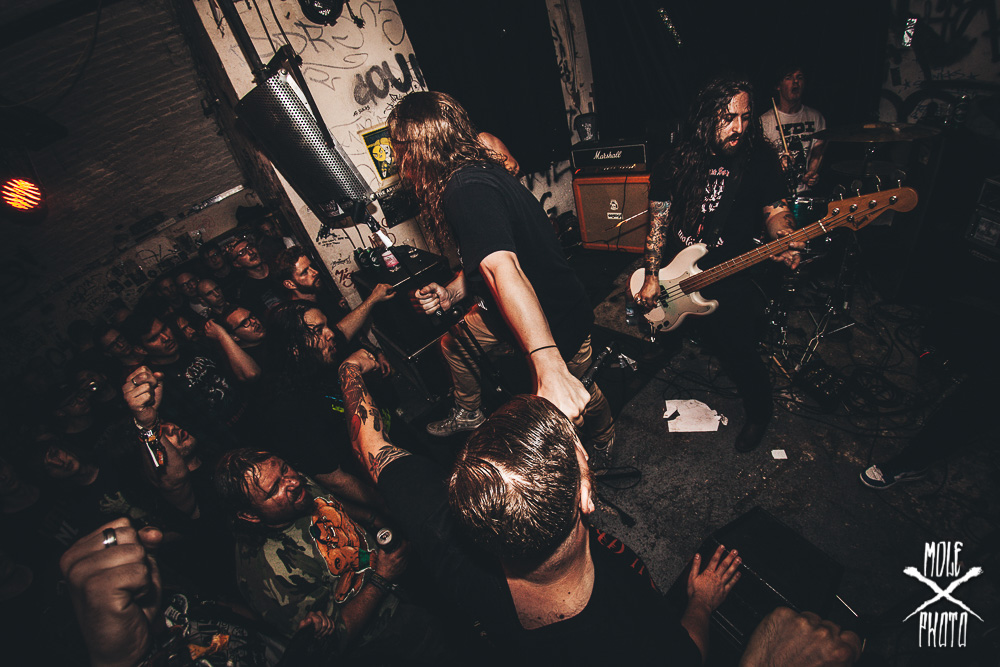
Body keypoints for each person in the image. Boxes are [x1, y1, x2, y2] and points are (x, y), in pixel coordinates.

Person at [337, 352, 738, 664]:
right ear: (585, 495)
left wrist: (348, 368)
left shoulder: (443, 534)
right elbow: (691, 655)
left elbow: (368, 445)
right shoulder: (629, 635)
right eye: (580, 453)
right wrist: (701, 602)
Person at [388, 91, 614, 462]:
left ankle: (603, 439)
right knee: (454, 343)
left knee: (579, 389)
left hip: (550, 315)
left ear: (415, 150)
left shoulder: (465, 190)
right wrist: (451, 293)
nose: (399, 163)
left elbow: (501, 267)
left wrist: (547, 364)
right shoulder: (472, 173)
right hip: (502, 312)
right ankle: (469, 411)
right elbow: (486, 258)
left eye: (398, 151)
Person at [636, 76, 802, 453]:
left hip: (729, 273)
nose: (738, 128)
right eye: (728, 118)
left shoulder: (759, 160)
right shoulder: (674, 162)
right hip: (677, 268)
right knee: (670, 319)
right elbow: (658, 224)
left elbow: (776, 210)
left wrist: (784, 234)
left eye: (745, 117)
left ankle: (759, 412)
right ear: (704, 118)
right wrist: (651, 276)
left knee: (739, 349)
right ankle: (667, 343)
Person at [213, 447, 449, 660]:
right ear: (250, 515)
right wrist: (382, 578)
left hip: (404, 584)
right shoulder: (266, 575)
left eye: (284, 469)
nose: (293, 482)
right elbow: (331, 644)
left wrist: (373, 519)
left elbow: (329, 503)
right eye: (275, 489)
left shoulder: (294, 485)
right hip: (386, 637)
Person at [60, 518, 281, 666]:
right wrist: (124, 662)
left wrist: (274, 632)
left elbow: (220, 609)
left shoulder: (168, 594)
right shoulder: (132, 639)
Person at [759, 64, 827, 193]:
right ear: (778, 86)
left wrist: (812, 173)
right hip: (776, 193)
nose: (795, 82)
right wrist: (778, 166)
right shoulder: (764, 121)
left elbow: (817, 153)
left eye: (799, 77)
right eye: (789, 78)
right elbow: (759, 165)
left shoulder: (816, 117)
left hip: (805, 193)